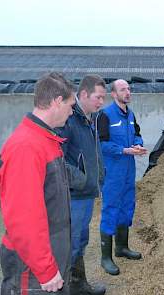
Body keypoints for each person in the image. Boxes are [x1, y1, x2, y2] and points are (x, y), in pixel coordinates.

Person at [0, 72, 75, 295]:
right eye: (70, 106)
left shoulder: (46, 139)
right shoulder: (27, 147)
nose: (72, 112)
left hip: (50, 252)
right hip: (31, 268)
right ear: (57, 101)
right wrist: (46, 269)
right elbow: (24, 216)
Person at [56, 75, 106, 295]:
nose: (101, 102)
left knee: (81, 239)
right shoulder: (69, 119)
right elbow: (59, 160)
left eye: (103, 98)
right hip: (74, 195)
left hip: (85, 194)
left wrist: (98, 176)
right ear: (84, 94)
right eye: (98, 97)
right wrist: (83, 179)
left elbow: (92, 153)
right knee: (72, 241)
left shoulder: (89, 117)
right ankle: (65, 287)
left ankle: (78, 284)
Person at [97, 79, 147, 275]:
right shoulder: (105, 115)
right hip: (113, 172)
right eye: (122, 89)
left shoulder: (131, 114)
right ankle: (105, 258)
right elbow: (100, 145)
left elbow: (137, 134)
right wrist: (124, 150)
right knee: (111, 209)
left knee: (127, 206)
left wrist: (138, 144)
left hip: (128, 171)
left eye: (128, 89)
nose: (127, 92)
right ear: (113, 94)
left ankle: (121, 247)